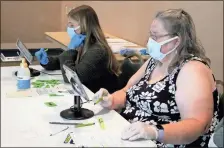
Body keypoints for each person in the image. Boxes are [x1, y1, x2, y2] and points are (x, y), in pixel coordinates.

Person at [93, 9, 222, 147]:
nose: (150, 41)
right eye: (150, 35)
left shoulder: (193, 69)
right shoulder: (155, 61)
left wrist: (155, 132)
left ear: (176, 41)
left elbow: (197, 125)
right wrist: (111, 100)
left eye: (156, 36)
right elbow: (127, 92)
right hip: (131, 135)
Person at [35, 5, 120, 93]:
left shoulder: (98, 50)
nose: (69, 28)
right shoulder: (83, 43)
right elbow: (63, 61)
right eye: (68, 24)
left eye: (72, 25)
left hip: (99, 99)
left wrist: (70, 49)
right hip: (86, 91)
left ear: (84, 27)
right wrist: (46, 61)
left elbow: (73, 78)